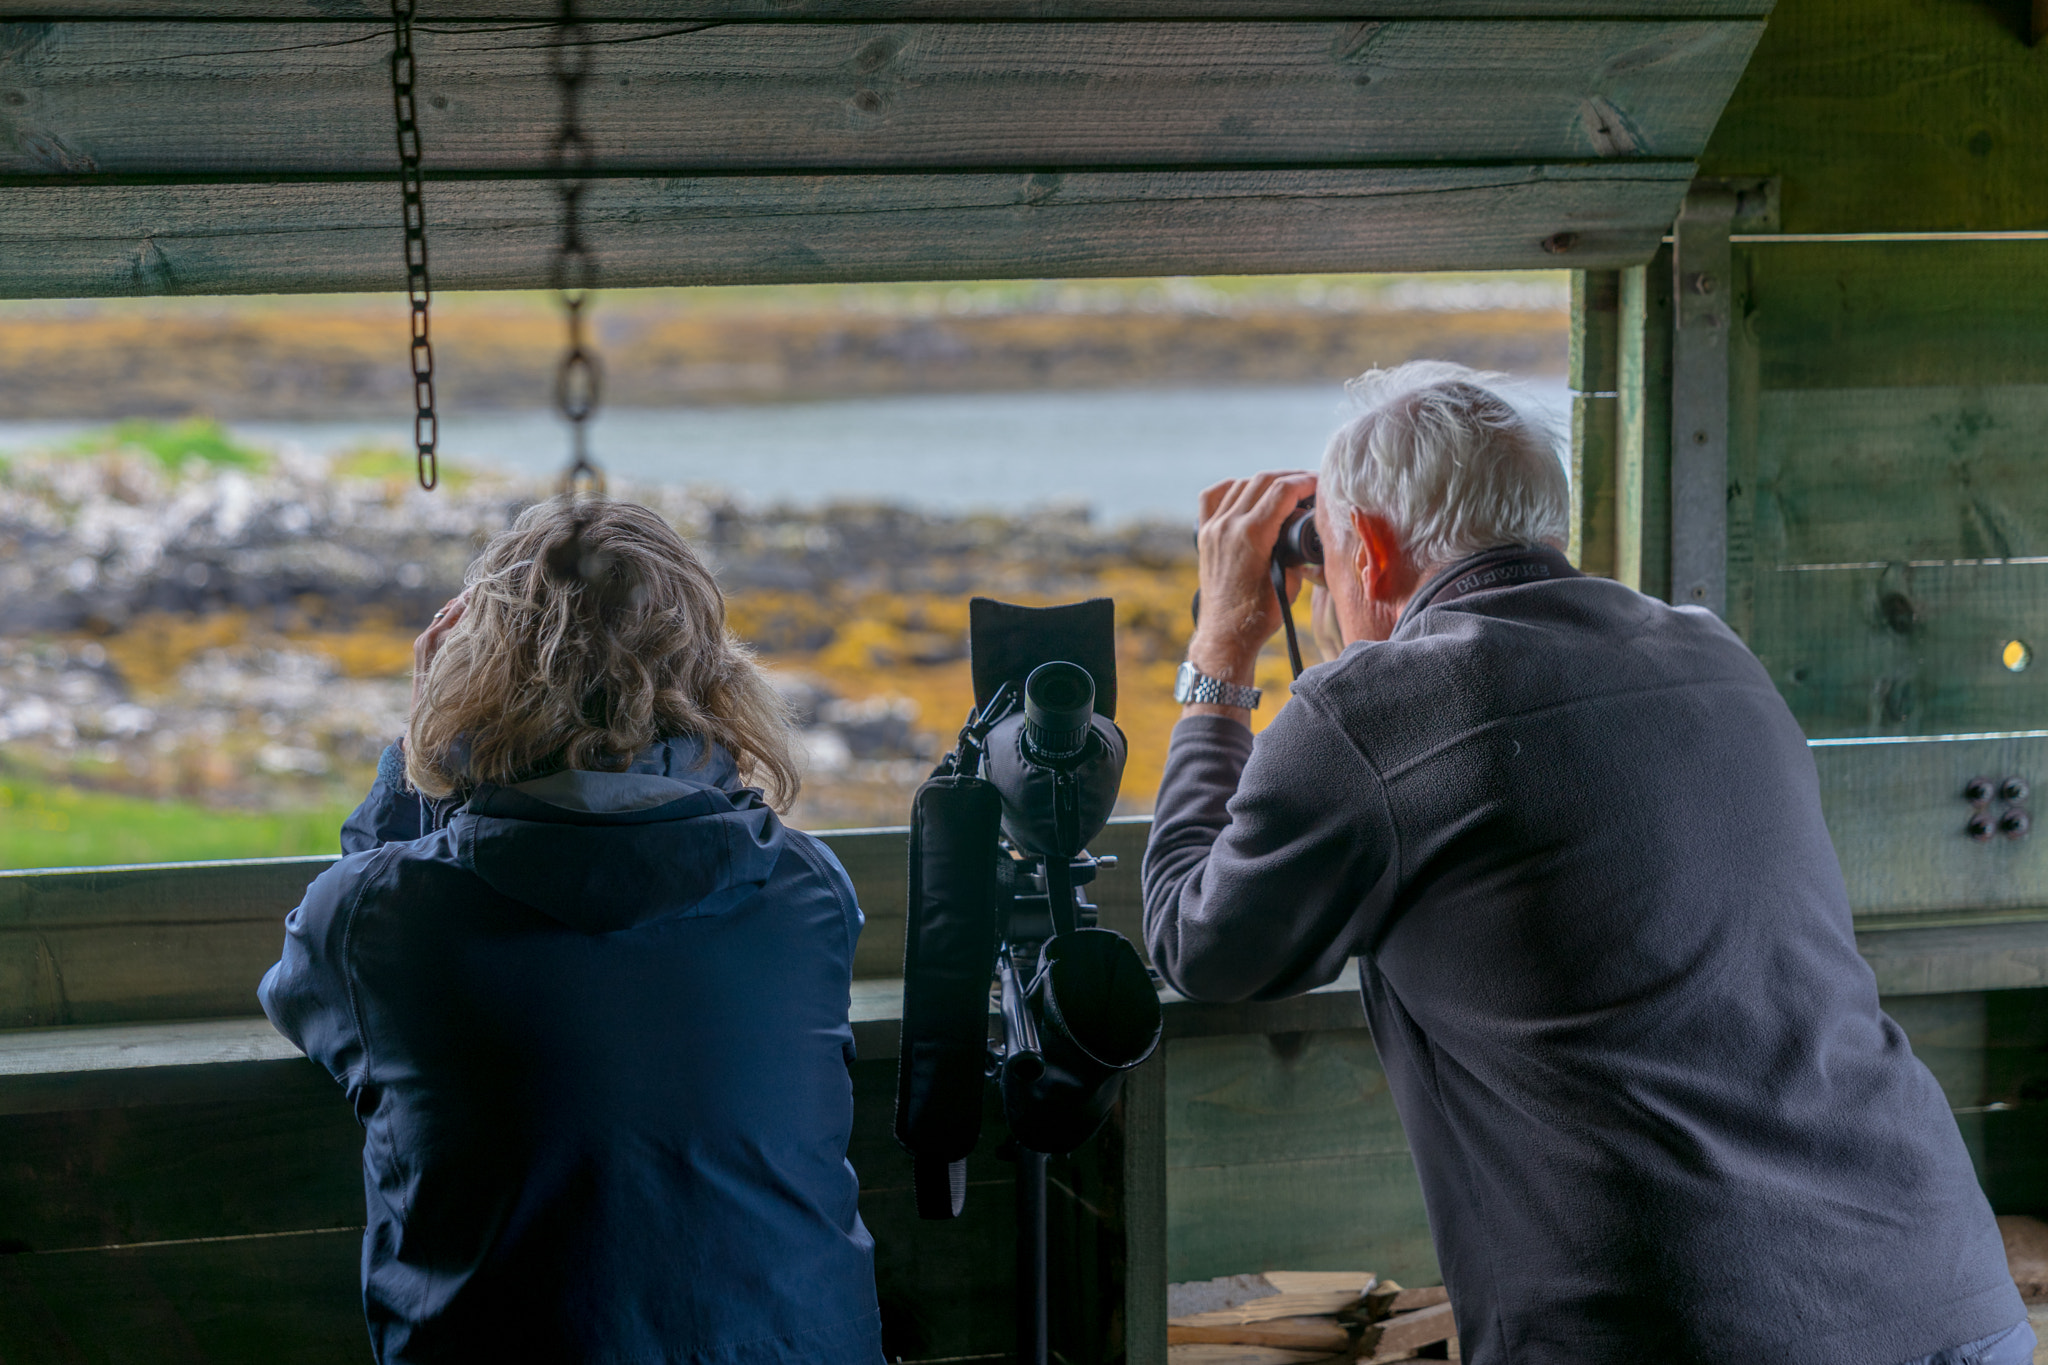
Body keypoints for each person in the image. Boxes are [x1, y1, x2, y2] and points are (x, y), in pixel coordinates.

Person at [1142, 362, 2032, 1365]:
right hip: (1953, 1296)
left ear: (1370, 547)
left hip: (1695, 1327)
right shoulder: (1710, 654)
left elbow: (1198, 941)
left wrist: (1220, 653)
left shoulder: (1372, 710)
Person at [259, 497, 884, 1365]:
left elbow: (322, 981)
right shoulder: (806, 891)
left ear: (474, 671)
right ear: (710, 678)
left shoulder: (372, 916)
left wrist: (422, 747)